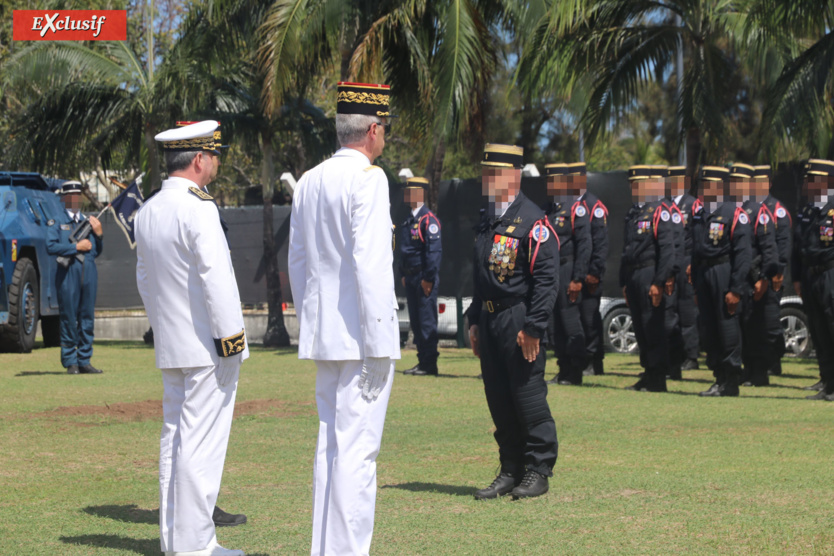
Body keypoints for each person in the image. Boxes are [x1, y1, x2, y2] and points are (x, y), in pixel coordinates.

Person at [288, 82, 401, 555]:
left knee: (330, 450)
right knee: (358, 454)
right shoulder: (369, 179)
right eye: (385, 130)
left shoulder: (310, 179)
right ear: (373, 129)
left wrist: (310, 321)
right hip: (361, 338)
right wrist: (381, 342)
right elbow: (371, 263)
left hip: (325, 336)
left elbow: (297, 261)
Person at [135, 120, 248, 556]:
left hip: (173, 344)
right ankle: (197, 546)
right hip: (208, 347)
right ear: (199, 159)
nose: (216, 164)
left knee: (174, 441)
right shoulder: (198, 207)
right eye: (214, 156)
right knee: (199, 446)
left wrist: (164, 328)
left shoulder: (147, 210)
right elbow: (216, 279)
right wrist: (231, 340)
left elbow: (146, 282)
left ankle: (173, 539)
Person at [467, 143, 559, 500]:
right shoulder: (488, 218)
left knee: (527, 396)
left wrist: (534, 327)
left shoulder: (533, 221)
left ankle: (538, 470)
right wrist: (474, 320)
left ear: (514, 175)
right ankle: (510, 469)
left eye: (495, 173)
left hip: (519, 318)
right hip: (490, 320)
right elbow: (481, 276)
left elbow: (547, 279)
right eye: (486, 173)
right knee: (499, 398)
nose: (488, 180)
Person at [691, 165, 751, 397]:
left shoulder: (734, 214)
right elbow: (696, 250)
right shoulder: (699, 214)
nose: (703, 190)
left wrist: (735, 288)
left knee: (727, 326)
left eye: (707, 185)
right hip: (704, 274)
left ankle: (731, 378)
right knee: (709, 327)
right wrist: (696, 283)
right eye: (701, 185)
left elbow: (744, 255)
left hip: (724, 272)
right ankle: (718, 377)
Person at [619, 166, 676, 392]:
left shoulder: (659, 211)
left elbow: (667, 250)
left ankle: (658, 376)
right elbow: (627, 250)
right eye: (633, 185)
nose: (635, 189)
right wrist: (624, 281)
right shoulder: (634, 213)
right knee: (641, 327)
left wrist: (659, 282)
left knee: (652, 325)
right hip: (634, 274)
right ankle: (648, 372)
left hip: (649, 273)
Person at [45, 183, 103, 375]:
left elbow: (95, 251)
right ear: (64, 198)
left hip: (88, 272)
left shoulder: (88, 222)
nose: (75, 199)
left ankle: (84, 360)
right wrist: (75, 248)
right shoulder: (56, 221)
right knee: (69, 317)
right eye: (71, 195)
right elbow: (50, 246)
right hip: (68, 273)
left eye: (77, 195)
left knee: (87, 317)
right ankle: (71, 361)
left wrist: (99, 235)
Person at [542, 163, 591, 385]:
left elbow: (584, 245)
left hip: (568, 268)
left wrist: (578, 278)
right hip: (550, 271)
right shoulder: (547, 209)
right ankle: (563, 368)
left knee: (570, 321)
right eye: (550, 181)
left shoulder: (576, 208)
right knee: (554, 324)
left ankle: (575, 371)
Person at [791, 159, 834, 401]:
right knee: (818, 330)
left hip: (830, 272)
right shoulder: (808, 209)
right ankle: (827, 382)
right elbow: (798, 246)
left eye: (814, 179)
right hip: (810, 275)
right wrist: (796, 277)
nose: (810, 184)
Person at [732, 164, 779, 387]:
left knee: (755, 327)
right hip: (738, 279)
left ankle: (759, 372)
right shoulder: (731, 210)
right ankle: (746, 370)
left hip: (754, 278)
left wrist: (764, 279)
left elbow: (769, 249)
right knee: (741, 327)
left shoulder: (758, 211)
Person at [397, 177, 442, 376]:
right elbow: (405, 250)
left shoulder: (428, 220)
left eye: (411, 191)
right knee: (416, 321)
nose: (408, 195)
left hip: (424, 279)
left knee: (426, 321)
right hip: (411, 277)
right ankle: (421, 361)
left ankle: (429, 363)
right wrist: (403, 273)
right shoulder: (409, 220)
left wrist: (428, 279)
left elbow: (433, 252)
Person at [665, 166, 700, 372]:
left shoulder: (693, 205)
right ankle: (674, 355)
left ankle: (691, 356)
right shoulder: (665, 206)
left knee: (687, 311)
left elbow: (698, 236)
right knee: (670, 311)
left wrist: (692, 264)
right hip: (671, 263)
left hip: (687, 262)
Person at [576, 164, 609, 376]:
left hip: (589, 275)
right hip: (573, 274)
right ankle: (582, 359)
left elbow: (600, 243)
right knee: (576, 319)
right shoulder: (567, 205)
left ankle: (594, 361)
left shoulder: (593, 205)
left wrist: (594, 272)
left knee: (589, 319)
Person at [758, 165, 791, 377]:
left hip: (772, 274)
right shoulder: (747, 207)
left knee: (770, 321)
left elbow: (783, 244)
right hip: (753, 275)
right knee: (754, 321)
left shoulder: (776, 209)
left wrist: (778, 271)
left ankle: (774, 360)